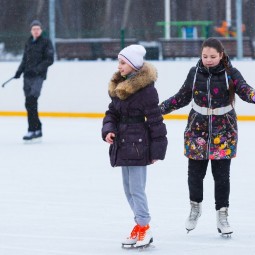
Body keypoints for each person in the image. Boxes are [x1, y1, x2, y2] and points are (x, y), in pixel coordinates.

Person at [160, 37, 255, 235]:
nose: (209, 60)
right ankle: (195, 208)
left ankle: (222, 215)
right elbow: (182, 97)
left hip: (224, 131)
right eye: (205, 56)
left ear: (221, 55)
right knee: (195, 174)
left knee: (221, 176)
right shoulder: (195, 73)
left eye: (213, 56)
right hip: (197, 130)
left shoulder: (231, 73)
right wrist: (159, 109)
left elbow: (245, 91)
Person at [102, 44, 168, 247]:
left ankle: (144, 227)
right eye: (119, 62)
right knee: (128, 189)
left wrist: (157, 149)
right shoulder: (119, 87)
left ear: (133, 65)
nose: (119, 66)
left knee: (137, 189)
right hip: (122, 144)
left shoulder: (146, 91)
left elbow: (156, 120)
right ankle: (139, 225)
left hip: (139, 146)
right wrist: (108, 130)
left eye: (122, 62)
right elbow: (111, 112)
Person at [14, 20, 54, 141]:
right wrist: (19, 71)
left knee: (32, 99)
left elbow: (49, 59)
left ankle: (33, 130)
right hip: (27, 76)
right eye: (33, 29)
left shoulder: (46, 42)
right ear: (31, 31)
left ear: (41, 30)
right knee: (29, 103)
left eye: (38, 29)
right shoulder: (28, 42)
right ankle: (36, 129)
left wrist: (37, 70)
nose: (36, 31)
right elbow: (24, 59)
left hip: (38, 76)